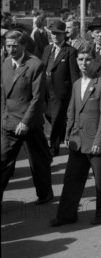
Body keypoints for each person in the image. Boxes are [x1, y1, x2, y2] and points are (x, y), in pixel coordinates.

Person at [50, 44, 101, 226]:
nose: (84, 63)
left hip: (97, 142)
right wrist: (69, 133)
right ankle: (66, 215)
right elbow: (72, 110)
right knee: (71, 180)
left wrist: (100, 141)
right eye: (80, 59)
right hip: (78, 141)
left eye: (88, 59)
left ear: (95, 61)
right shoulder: (77, 83)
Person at [1, 31, 54, 204]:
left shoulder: (35, 65)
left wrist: (25, 122)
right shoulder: (5, 63)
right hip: (9, 122)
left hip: (29, 123)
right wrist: (3, 116)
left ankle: (45, 194)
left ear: (23, 45)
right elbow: (3, 94)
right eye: (8, 46)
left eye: (14, 46)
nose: (11, 49)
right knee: (3, 161)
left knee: (38, 162)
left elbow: (37, 98)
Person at [41, 20, 80, 156]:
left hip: (61, 93)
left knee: (57, 118)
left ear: (64, 35)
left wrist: (76, 95)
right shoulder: (47, 49)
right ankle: (63, 134)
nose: (55, 36)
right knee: (49, 116)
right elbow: (42, 68)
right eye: (53, 33)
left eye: (58, 34)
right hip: (46, 91)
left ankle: (53, 147)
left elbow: (74, 75)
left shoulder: (70, 51)